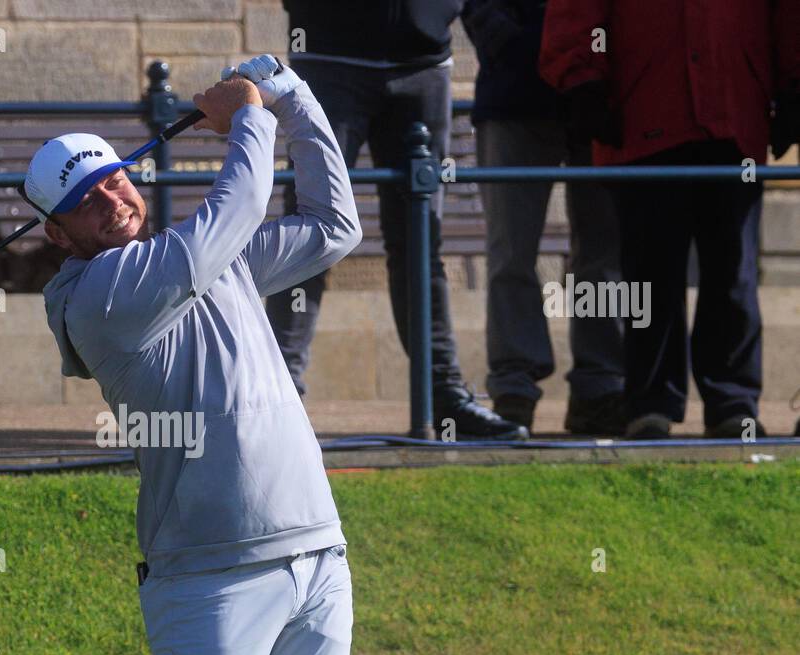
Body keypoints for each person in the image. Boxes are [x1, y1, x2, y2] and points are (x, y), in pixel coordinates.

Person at [33, 56, 359, 655]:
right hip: (209, 578)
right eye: (83, 201)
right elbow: (242, 199)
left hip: (316, 554)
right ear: (56, 234)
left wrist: (295, 98)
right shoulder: (100, 298)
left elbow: (333, 226)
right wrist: (249, 110)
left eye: (113, 182)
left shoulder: (214, 259)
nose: (110, 200)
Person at [267, 0, 527, 440]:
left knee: (420, 242)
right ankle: (276, 399)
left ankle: (443, 397)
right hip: (330, 56)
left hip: (424, 62)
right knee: (309, 234)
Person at [541, 0, 800, 439]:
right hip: (645, 114)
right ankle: (651, 400)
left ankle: (731, 401)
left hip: (733, 111)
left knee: (732, 271)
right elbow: (579, 10)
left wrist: (793, 83)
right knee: (650, 274)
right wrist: (583, 76)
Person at [462, 0, 625, 436]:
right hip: (515, 92)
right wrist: (512, 45)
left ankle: (599, 386)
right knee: (511, 251)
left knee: (602, 254)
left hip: (600, 87)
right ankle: (515, 386)